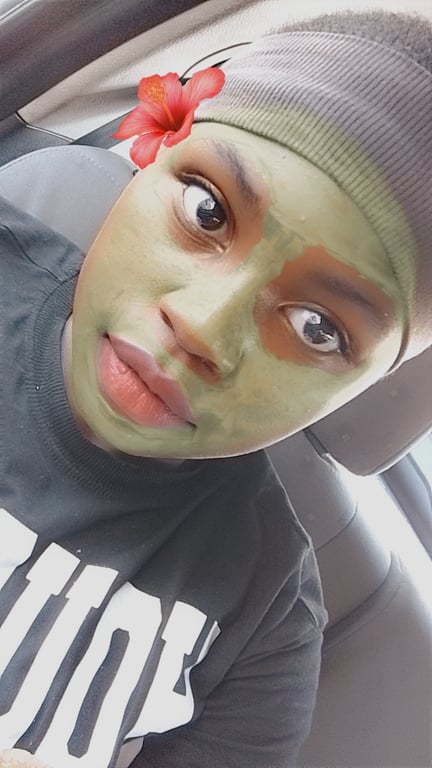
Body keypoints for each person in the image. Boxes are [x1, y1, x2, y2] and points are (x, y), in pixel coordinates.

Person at [0, 8, 431, 768]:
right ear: (150, 161)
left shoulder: (267, 627)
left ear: (364, 389)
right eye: (207, 210)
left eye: (318, 328)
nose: (200, 327)